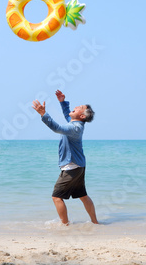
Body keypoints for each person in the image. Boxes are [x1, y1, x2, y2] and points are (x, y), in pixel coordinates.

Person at [32, 90, 98, 225]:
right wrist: (62, 102)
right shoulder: (75, 123)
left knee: (56, 197)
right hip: (78, 166)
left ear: (82, 116)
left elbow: (56, 128)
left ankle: (65, 225)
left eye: (80, 108)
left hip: (71, 167)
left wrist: (44, 114)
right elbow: (68, 115)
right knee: (83, 196)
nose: (77, 106)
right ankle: (95, 223)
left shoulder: (75, 128)